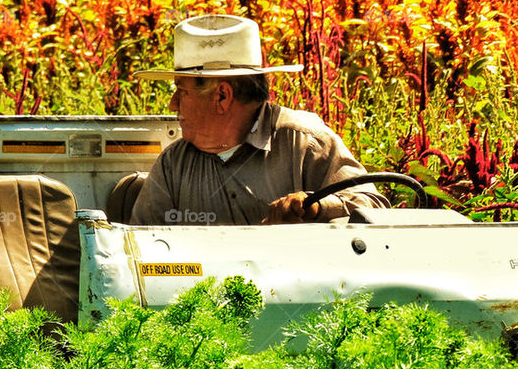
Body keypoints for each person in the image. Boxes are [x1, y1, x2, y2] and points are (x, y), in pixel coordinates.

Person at [130, 14, 389, 225]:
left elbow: (373, 207)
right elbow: (142, 246)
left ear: (222, 96)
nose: (172, 104)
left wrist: (314, 207)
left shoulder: (304, 143)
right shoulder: (174, 164)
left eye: (181, 91)